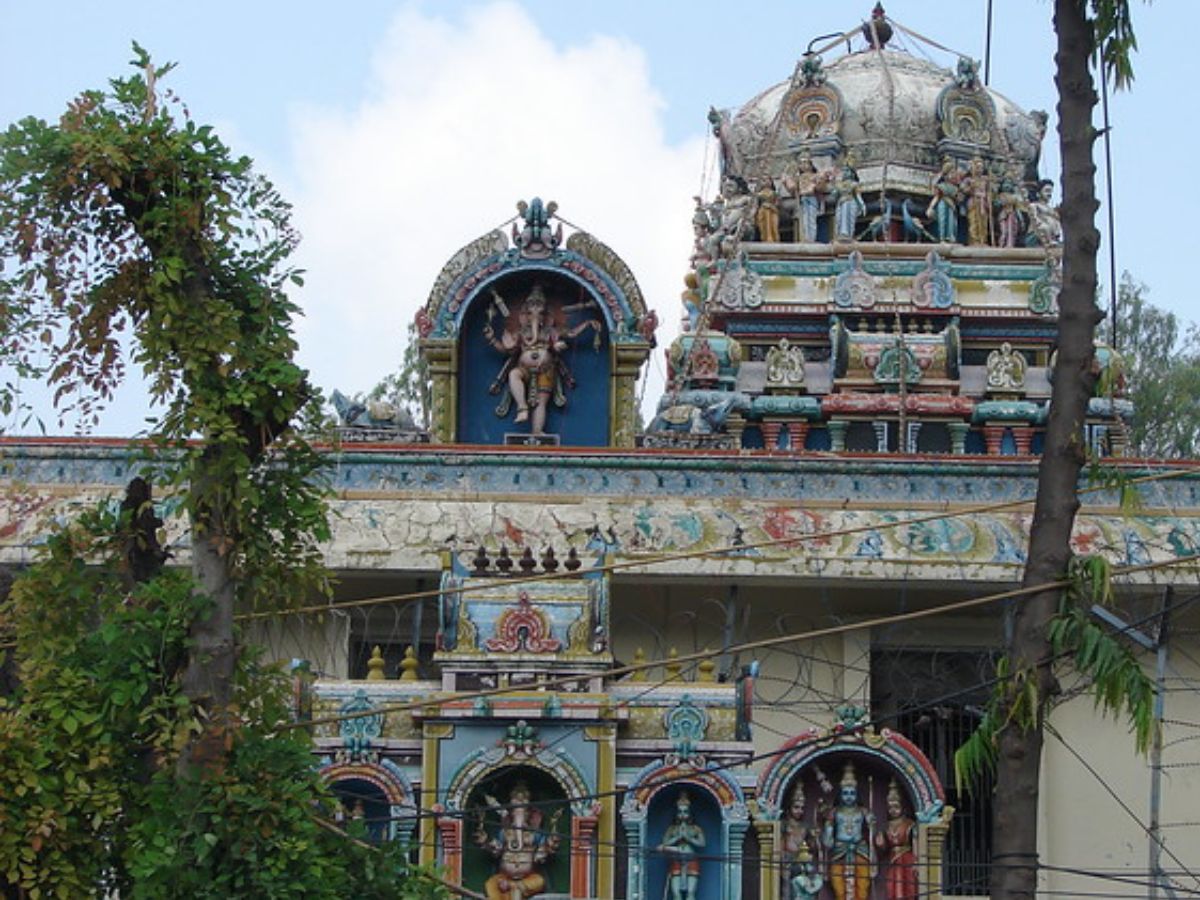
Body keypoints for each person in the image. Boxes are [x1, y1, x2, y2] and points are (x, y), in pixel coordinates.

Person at [484, 284, 599, 436]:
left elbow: (571, 333)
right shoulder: (521, 332)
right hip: (524, 368)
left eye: (540, 313)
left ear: (546, 316)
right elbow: (506, 349)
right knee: (513, 375)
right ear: (525, 315)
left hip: (546, 369)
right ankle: (522, 407)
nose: (535, 317)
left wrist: (588, 323)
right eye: (530, 313)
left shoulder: (551, 331)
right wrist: (492, 338)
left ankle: (537, 431)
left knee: (541, 401)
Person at [473, 781, 562, 900]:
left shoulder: (534, 835)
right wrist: (485, 842)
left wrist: (551, 841)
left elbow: (544, 850)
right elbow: (496, 850)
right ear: (511, 815)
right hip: (503, 877)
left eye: (523, 813)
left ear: (529, 815)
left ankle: (514, 887)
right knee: (490, 884)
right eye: (515, 813)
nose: (519, 817)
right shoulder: (504, 833)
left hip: (528, 878)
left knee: (539, 881)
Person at [822, 762, 874, 900]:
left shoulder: (863, 811)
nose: (849, 796)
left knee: (862, 886)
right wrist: (827, 834)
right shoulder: (834, 812)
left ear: (857, 795)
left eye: (852, 793)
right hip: (839, 850)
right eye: (845, 793)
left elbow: (872, 833)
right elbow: (827, 836)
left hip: (860, 850)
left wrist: (871, 824)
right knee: (839, 887)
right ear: (840, 794)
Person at [874, 780, 919, 900]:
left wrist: (917, 862)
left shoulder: (910, 824)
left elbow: (916, 844)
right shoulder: (887, 826)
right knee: (892, 887)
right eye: (890, 807)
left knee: (907, 886)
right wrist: (880, 843)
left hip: (907, 858)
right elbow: (884, 849)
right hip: (893, 860)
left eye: (896, 807)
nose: (893, 810)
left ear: (902, 807)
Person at [658, 791, 705, 900]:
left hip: (691, 859)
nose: (683, 815)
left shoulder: (696, 829)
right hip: (676, 860)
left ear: (690, 813)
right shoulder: (672, 829)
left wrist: (689, 838)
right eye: (680, 812)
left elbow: (702, 844)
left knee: (691, 892)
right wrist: (677, 837)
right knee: (675, 892)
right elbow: (664, 843)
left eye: (685, 812)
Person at [927, 156, 961, 243]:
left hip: (951, 207)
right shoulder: (941, 186)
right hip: (943, 204)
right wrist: (930, 207)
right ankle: (942, 238)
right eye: (951, 173)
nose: (954, 175)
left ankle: (950, 237)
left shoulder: (955, 188)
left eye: (954, 173)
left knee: (952, 222)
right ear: (946, 175)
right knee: (942, 220)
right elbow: (937, 197)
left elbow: (959, 199)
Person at [831, 159, 866, 241]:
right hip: (840, 204)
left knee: (847, 217)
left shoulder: (854, 184)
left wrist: (863, 205)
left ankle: (847, 234)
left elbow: (858, 196)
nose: (845, 173)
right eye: (844, 171)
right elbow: (834, 195)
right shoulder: (840, 184)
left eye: (847, 170)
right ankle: (840, 234)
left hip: (850, 203)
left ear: (852, 173)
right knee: (839, 219)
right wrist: (833, 183)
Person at [962, 155, 993, 246]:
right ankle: (974, 240)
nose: (980, 169)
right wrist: (971, 188)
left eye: (981, 168)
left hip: (983, 203)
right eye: (978, 167)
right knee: (974, 221)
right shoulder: (969, 180)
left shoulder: (985, 180)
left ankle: (983, 240)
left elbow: (989, 191)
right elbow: (963, 189)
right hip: (974, 202)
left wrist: (989, 196)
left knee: (984, 223)